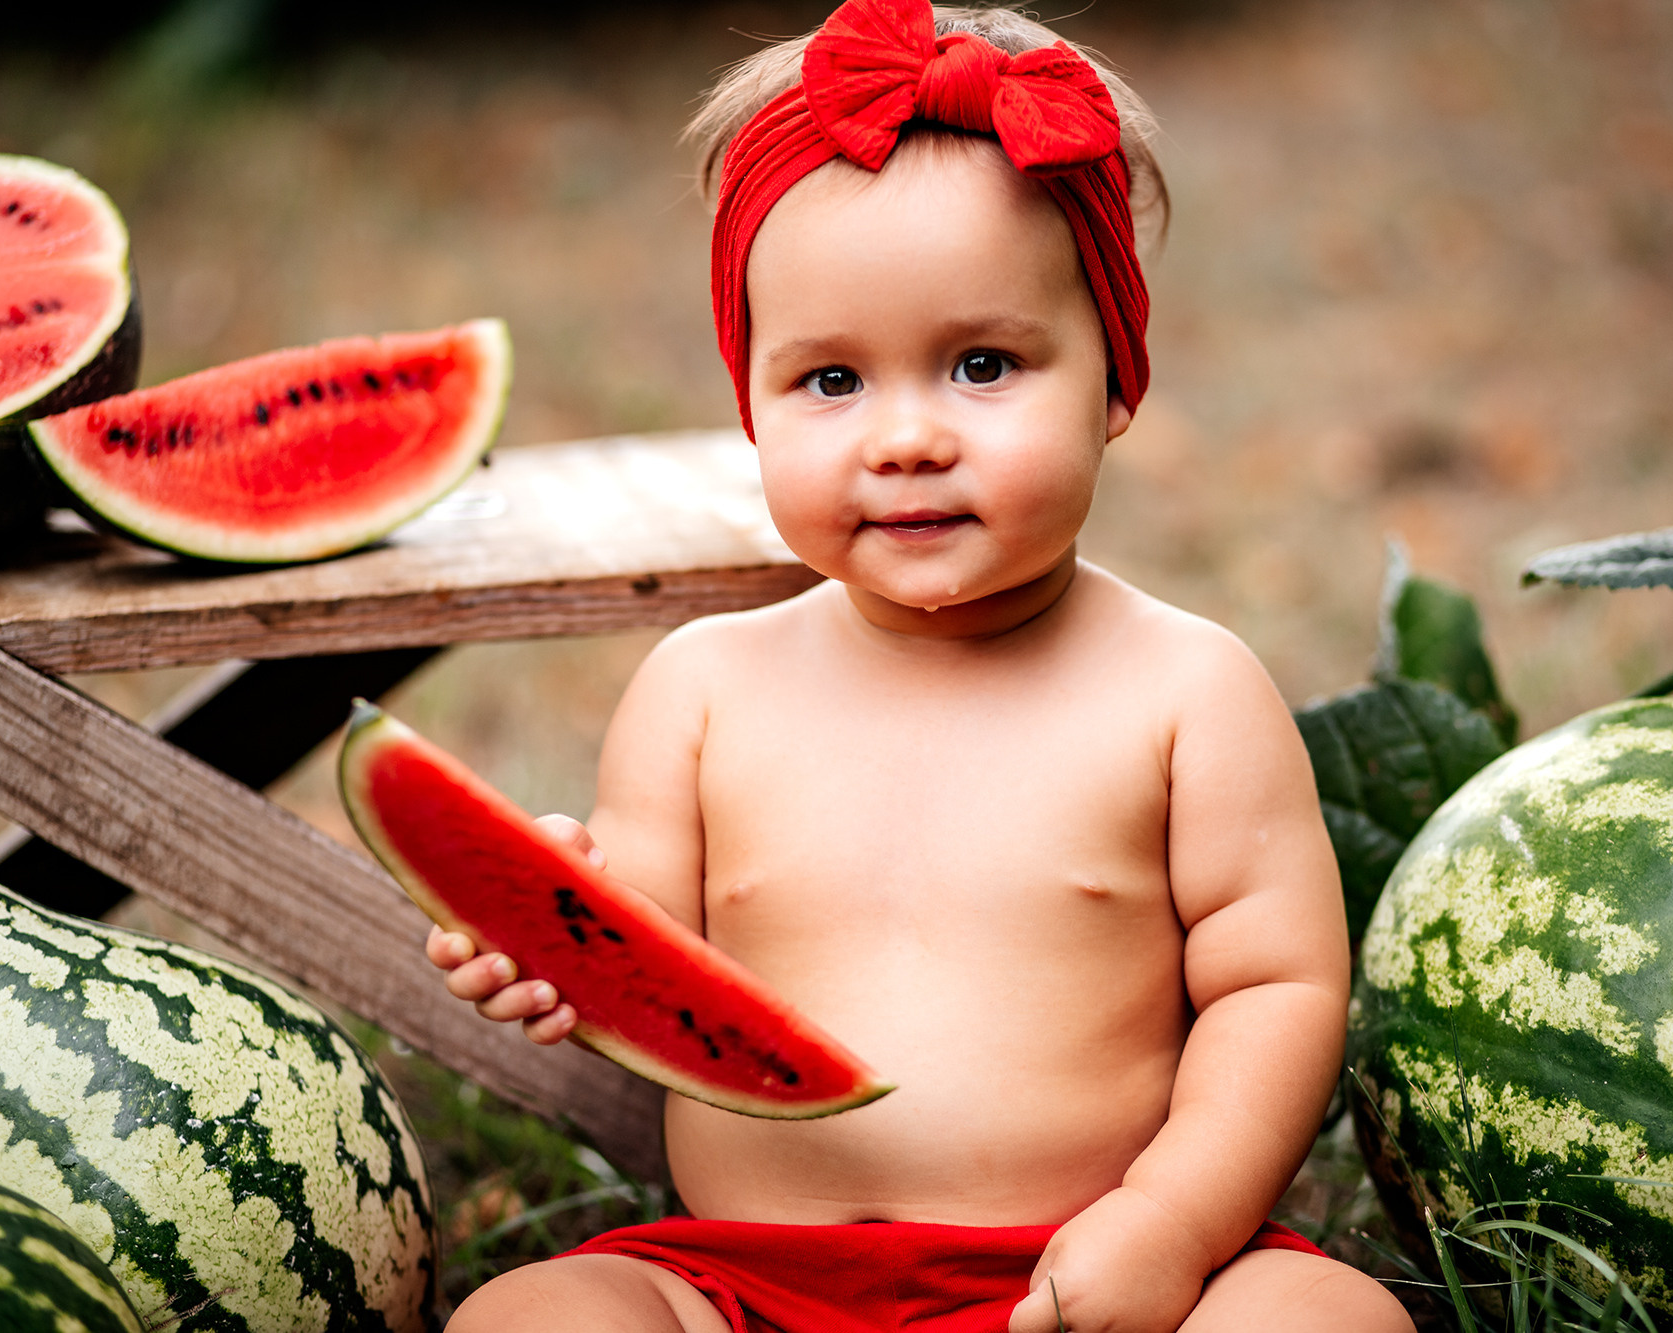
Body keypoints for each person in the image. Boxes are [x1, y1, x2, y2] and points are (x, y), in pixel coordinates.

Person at [433, 3, 1414, 1330]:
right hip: (746, 1283)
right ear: (752, 407)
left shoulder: (1188, 691)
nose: (905, 437)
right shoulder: (702, 689)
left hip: (1098, 1274)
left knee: (1330, 1319)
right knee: (531, 1315)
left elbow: (1277, 986)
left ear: (1115, 383)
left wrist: (1171, 1222)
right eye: (830, 380)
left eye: (980, 364)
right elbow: (643, 946)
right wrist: (554, 928)